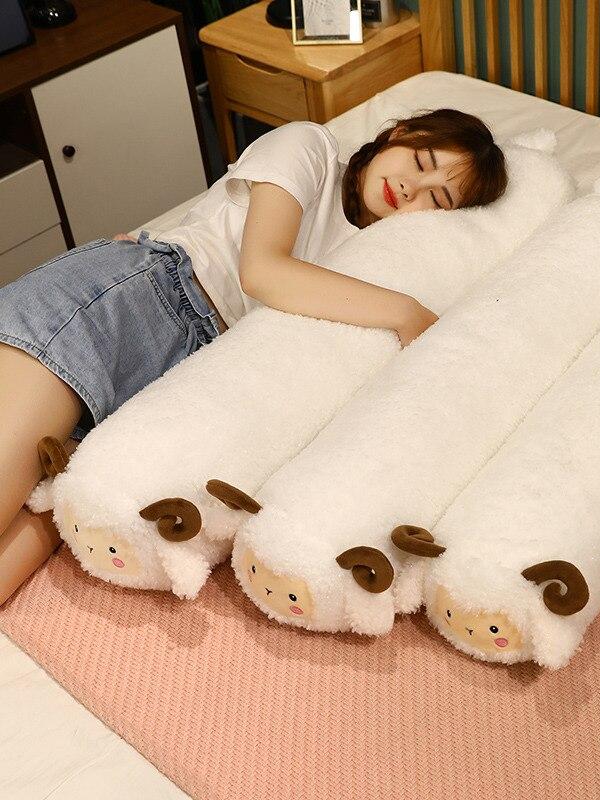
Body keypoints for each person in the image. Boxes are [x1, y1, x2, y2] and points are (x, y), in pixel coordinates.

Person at [0, 107, 508, 605]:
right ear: (398, 133)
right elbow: (262, 272)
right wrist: (405, 312)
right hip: (144, 297)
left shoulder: (386, 252)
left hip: (188, 374)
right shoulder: (310, 148)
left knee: (46, 517)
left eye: (438, 198)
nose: (413, 190)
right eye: (420, 162)